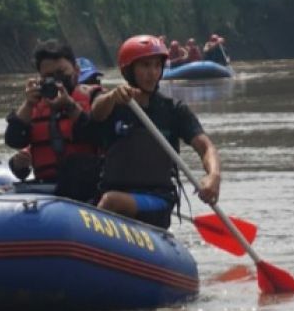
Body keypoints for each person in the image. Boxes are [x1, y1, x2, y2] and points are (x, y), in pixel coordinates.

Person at [90, 35, 221, 229]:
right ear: (129, 70)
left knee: (110, 202)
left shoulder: (173, 110)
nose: (152, 73)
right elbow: (96, 113)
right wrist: (111, 97)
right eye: (145, 66)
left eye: (156, 66)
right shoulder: (112, 105)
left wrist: (213, 175)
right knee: (108, 199)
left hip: (156, 200)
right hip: (114, 193)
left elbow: (206, 147)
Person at [4, 40, 103, 203]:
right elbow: (14, 139)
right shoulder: (35, 105)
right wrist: (29, 104)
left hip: (86, 188)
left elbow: (99, 135)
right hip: (46, 188)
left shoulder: (95, 99)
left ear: (76, 71)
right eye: (48, 77)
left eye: (61, 72)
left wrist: (70, 107)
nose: (57, 80)